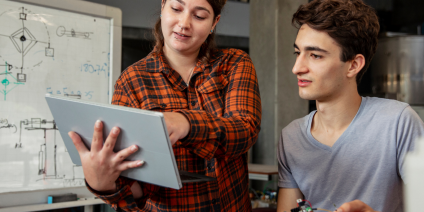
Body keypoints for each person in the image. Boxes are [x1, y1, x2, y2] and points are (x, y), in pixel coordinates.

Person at [68, 0, 261, 211]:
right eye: (176, 9)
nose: (184, 23)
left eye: (199, 16)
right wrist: (103, 183)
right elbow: (135, 188)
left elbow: (245, 131)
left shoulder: (234, 63)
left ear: (214, 22)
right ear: (163, 7)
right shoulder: (132, 80)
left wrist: (186, 123)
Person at [276, 0, 424, 212]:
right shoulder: (291, 137)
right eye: (297, 53)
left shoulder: (398, 122)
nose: (297, 68)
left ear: (353, 65)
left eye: (315, 55)